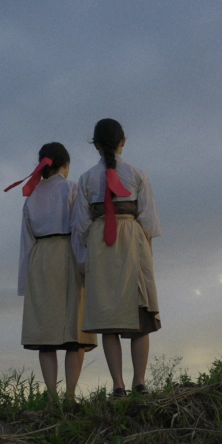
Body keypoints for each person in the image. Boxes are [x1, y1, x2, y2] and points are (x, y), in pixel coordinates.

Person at [75, 118, 162, 397]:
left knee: (107, 317)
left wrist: (86, 257)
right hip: (133, 243)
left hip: (101, 246)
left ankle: (118, 386)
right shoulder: (138, 175)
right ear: (124, 141)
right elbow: (148, 222)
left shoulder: (86, 179)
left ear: (96, 146)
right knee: (139, 316)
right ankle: (139, 383)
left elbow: (81, 225)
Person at [7, 142, 98, 406]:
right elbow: (80, 227)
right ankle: (70, 395)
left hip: (39, 258)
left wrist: (25, 281)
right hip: (67, 254)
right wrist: (86, 266)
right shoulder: (71, 188)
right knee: (74, 333)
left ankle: (52, 396)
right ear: (65, 165)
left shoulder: (31, 196)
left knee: (45, 334)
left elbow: (26, 241)